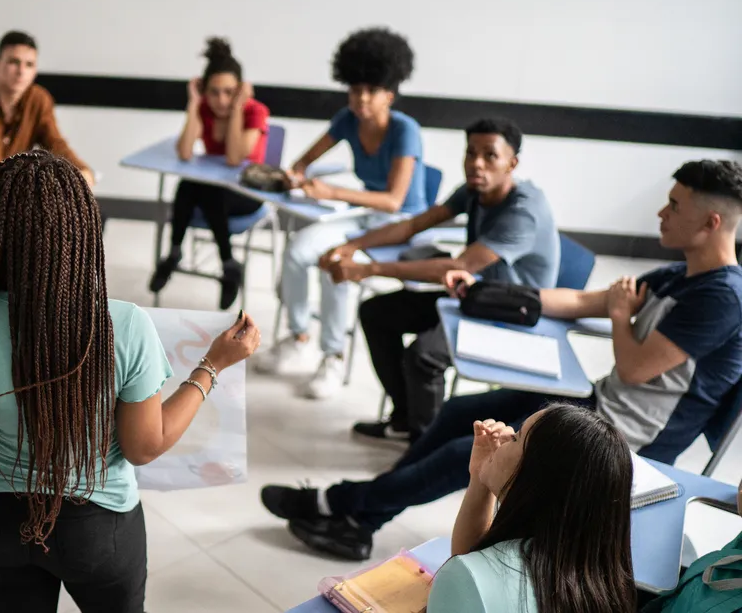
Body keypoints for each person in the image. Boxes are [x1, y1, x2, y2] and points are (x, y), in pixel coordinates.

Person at [260, 159, 742, 561]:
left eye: (674, 205)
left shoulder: (722, 298)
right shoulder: (680, 274)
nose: (661, 212)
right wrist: (491, 291)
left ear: (710, 223)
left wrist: (621, 317)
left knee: (467, 459)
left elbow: (636, 367)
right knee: (457, 414)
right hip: (597, 407)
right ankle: (362, 514)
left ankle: (344, 505)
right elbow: (579, 302)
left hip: (624, 443)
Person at [0, 151, 261, 613]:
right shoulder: (123, 324)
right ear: (79, 231)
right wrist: (212, 365)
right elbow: (143, 446)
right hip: (97, 533)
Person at [343, 117, 556, 437]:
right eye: (470, 153)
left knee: (423, 356)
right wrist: (352, 245)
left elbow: (457, 266)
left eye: (489, 155)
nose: (476, 164)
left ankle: (423, 446)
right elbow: (413, 225)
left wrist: (369, 269)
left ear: (511, 163)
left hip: (511, 312)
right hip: (474, 293)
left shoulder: (522, 211)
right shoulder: (473, 190)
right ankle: (406, 420)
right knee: (375, 313)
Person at [257, 27, 427, 396]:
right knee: (299, 249)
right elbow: (304, 160)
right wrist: (296, 175)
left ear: (389, 93)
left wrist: (331, 190)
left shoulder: (405, 130)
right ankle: (300, 335)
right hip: (365, 215)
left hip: (402, 225)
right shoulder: (346, 120)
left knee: (336, 262)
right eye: (355, 90)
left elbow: (395, 200)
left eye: (371, 90)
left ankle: (332, 357)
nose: (361, 98)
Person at [427, 405, 635, 612]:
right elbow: (472, 564)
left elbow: (469, 579)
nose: (505, 436)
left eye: (517, 437)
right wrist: (481, 477)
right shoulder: (599, 578)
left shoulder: (467, 578)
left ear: (537, 478)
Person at [148, 38, 270, 309]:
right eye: (213, 92)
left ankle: (226, 265)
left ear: (240, 90)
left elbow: (234, 158)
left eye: (229, 92)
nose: (221, 100)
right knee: (188, 185)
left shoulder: (254, 112)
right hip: (213, 192)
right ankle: (182, 254)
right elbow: (185, 152)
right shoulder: (204, 108)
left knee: (207, 191)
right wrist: (193, 104)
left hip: (248, 193)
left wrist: (238, 109)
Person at [0, 30, 96, 214]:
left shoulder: (38, 99)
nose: (21, 71)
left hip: (20, 194)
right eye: (14, 62)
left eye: (29, 65)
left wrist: (80, 170)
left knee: (87, 213)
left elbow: (55, 143)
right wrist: (28, 182)